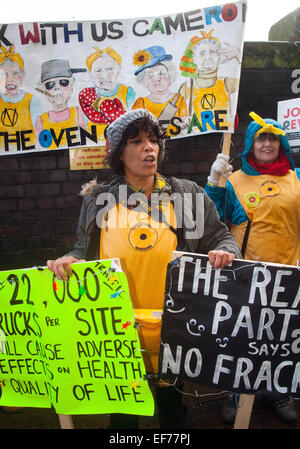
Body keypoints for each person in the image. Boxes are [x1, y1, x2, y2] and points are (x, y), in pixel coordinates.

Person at [47, 108, 241, 428]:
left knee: (173, 413)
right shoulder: (99, 199)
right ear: (118, 153)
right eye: (136, 141)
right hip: (118, 335)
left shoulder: (186, 195)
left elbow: (221, 237)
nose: (149, 147)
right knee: (123, 418)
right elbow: (84, 250)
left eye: (153, 140)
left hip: (175, 331)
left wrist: (223, 250)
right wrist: (71, 260)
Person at [205, 111, 300, 424]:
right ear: (250, 143)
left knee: (281, 337)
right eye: (262, 137)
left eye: (274, 137)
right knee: (242, 337)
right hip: (246, 276)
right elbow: (211, 220)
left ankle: (278, 392)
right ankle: (236, 392)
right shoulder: (233, 181)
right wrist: (214, 182)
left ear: (282, 142)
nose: (268, 143)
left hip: (290, 274)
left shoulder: (297, 178)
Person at [78, 47, 135, 142]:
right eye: (98, 71)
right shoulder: (87, 97)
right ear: (90, 73)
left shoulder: (128, 93)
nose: (104, 76)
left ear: (119, 69)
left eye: (109, 69)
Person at [132, 46, 188, 136]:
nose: (157, 79)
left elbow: (185, 130)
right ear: (143, 80)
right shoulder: (140, 104)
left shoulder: (179, 100)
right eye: (150, 75)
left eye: (162, 73)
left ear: (170, 74)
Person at [36, 59, 85, 149]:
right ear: (44, 90)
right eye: (50, 84)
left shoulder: (78, 113)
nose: (57, 88)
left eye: (63, 82)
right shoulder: (41, 120)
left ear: (71, 86)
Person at [0, 44, 41, 151]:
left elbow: (39, 130)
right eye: (4, 74)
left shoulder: (32, 100)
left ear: (22, 76)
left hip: (30, 155)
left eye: (15, 73)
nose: (10, 79)